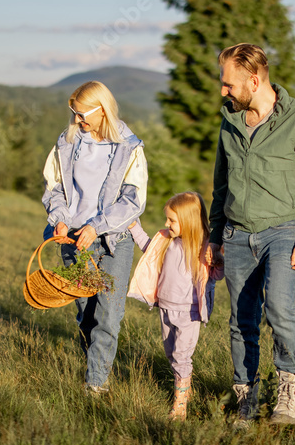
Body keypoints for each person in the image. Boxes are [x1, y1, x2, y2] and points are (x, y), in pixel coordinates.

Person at [207, 43, 295, 427]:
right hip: (236, 234)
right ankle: (247, 398)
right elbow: (220, 186)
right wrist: (214, 237)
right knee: (241, 320)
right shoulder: (230, 122)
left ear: (254, 80)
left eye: (229, 85)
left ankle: (289, 392)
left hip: (282, 231)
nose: (223, 92)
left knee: (278, 307)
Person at [41, 81, 148, 394]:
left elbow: (133, 200)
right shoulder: (67, 141)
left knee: (108, 315)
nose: (77, 120)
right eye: (74, 113)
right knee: (86, 315)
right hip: (74, 241)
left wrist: (97, 226)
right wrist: (60, 220)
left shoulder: (129, 146)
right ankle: (93, 365)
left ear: (102, 111)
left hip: (113, 243)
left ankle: (95, 384)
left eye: (82, 114)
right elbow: (54, 187)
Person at [127, 192, 224, 421]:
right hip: (165, 307)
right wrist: (133, 225)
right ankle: (185, 388)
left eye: (171, 220)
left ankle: (180, 404)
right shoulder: (166, 240)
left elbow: (216, 275)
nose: (166, 224)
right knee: (171, 353)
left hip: (189, 312)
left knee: (182, 355)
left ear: (188, 221)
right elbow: (148, 248)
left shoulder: (205, 247)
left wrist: (219, 260)